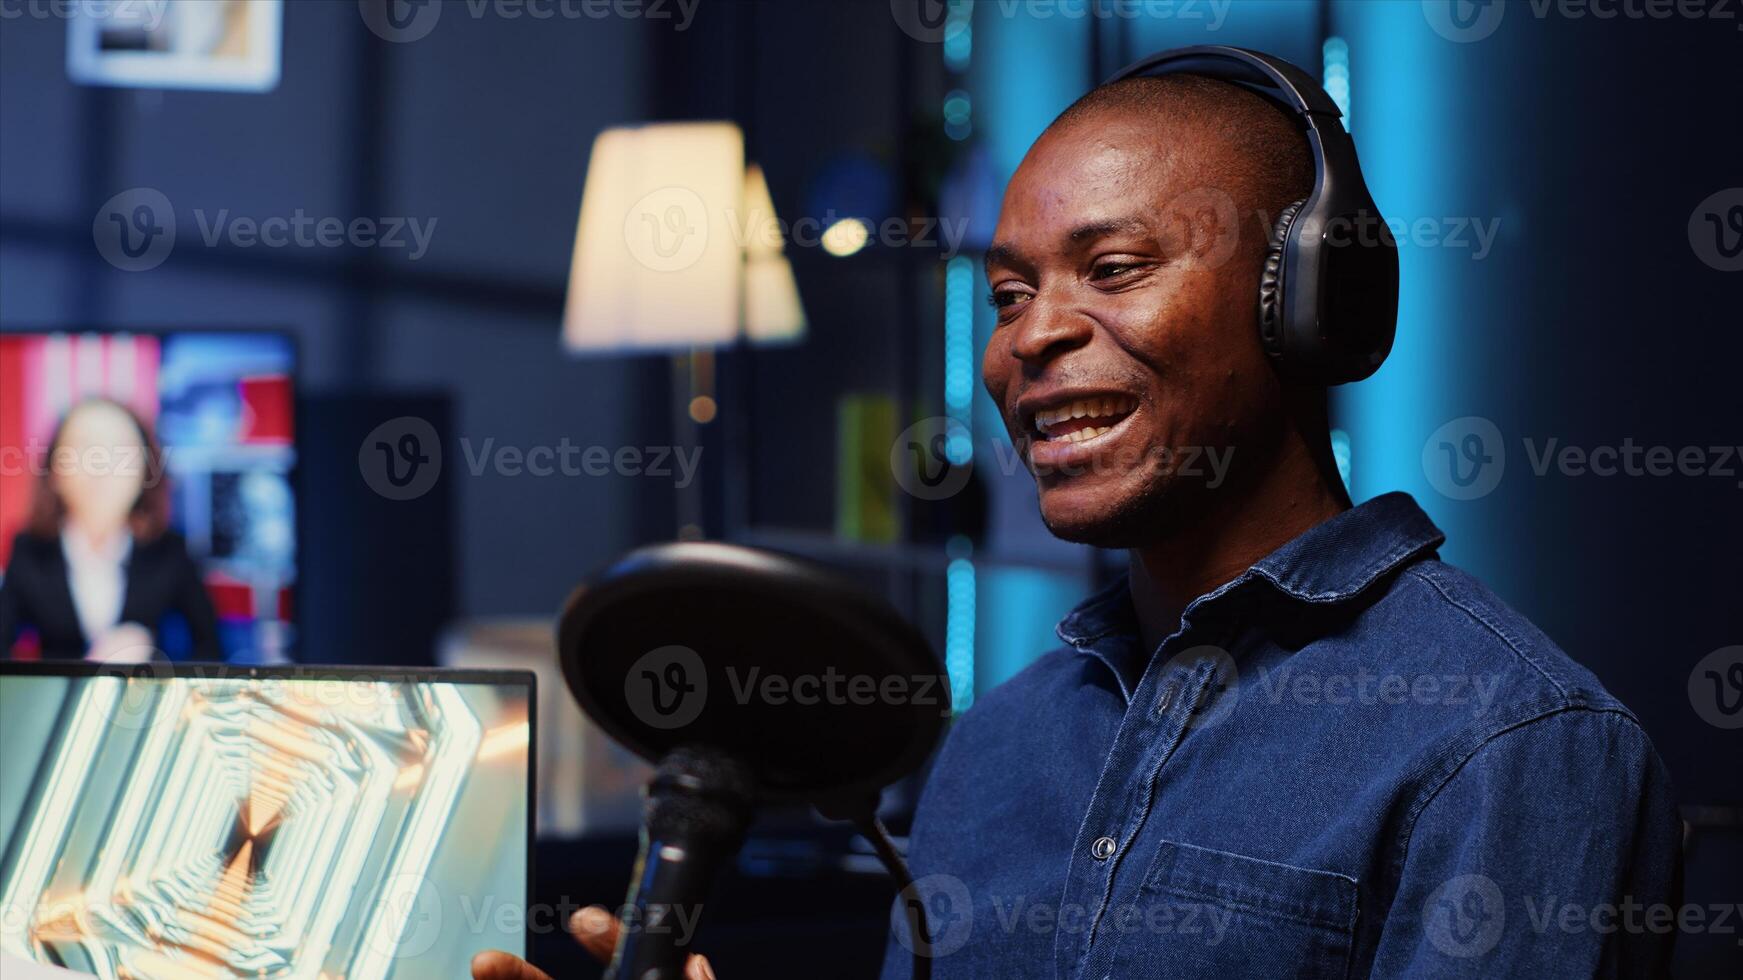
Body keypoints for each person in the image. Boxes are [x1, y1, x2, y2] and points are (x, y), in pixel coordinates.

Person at [474, 54, 1681, 979]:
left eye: (1112, 269)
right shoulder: (992, 746)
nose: (1028, 336)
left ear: (1306, 301)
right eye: (1008, 292)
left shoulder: (1510, 741)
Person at [0, 397, 221, 661]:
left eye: (121, 452)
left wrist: (153, 656)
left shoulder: (171, 552)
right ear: (55, 472)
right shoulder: (29, 551)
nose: (102, 467)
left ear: (145, 471)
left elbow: (212, 651)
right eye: (84, 449)